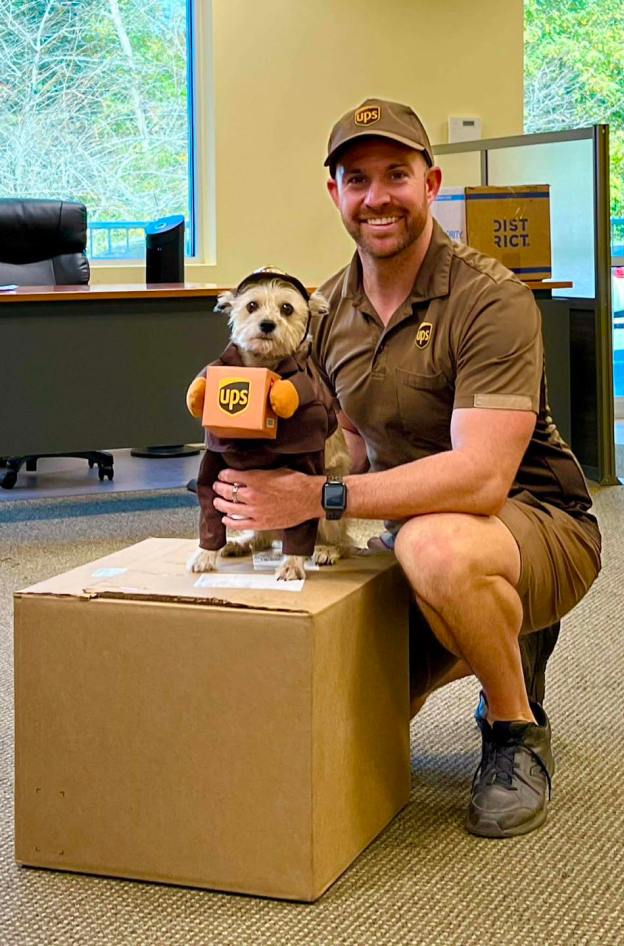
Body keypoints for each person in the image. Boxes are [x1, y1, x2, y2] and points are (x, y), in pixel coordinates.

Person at [210, 98, 602, 839]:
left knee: (437, 547)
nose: (377, 197)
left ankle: (514, 729)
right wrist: (260, 484)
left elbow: (481, 479)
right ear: (335, 194)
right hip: (404, 528)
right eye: (357, 180)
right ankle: (503, 635)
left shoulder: (491, 299)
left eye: (396, 174)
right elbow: (347, 439)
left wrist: (318, 496)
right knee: (353, 700)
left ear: (431, 184)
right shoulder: (324, 309)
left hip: (534, 521)